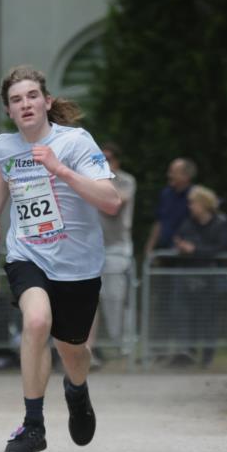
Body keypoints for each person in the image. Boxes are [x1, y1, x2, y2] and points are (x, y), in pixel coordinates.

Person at [0, 64, 120, 452]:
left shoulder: (75, 142)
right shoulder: (3, 146)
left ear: (47, 101)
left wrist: (59, 169)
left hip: (77, 264)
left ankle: (77, 392)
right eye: (16, 100)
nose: (25, 104)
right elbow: (3, 172)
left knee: (72, 350)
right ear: (9, 110)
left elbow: (111, 201)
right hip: (28, 252)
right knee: (37, 321)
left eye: (31, 96)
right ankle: (33, 425)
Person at [173, 185, 227, 365]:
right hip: (188, 277)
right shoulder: (188, 222)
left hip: (209, 279)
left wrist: (195, 249)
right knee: (185, 315)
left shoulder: (220, 223)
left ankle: (207, 355)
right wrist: (182, 247)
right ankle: (187, 352)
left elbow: (221, 248)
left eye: (193, 203)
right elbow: (179, 239)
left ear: (203, 204)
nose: (190, 206)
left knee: (207, 317)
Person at [87, 141, 136, 357]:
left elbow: (114, 205)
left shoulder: (126, 181)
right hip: (91, 248)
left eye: (108, 158)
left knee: (115, 299)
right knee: (88, 299)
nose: (104, 162)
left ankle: (124, 346)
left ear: (116, 160)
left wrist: (103, 181)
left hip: (116, 248)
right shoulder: (91, 180)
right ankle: (90, 347)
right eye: (100, 158)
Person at [144, 157, 197, 256]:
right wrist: (150, 248)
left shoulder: (195, 195)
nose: (169, 175)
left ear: (186, 176)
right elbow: (159, 222)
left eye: (173, 172)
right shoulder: (165, 194)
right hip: (164, 250)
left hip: (186, 253)